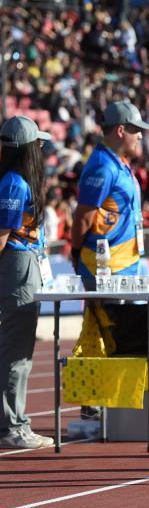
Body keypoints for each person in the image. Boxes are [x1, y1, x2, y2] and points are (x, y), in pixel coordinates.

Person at [70, 100, 149, 420]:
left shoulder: (119, 163)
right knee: (105, 333)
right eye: (136, 131)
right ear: (121, 130)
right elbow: (82, 218)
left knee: (117, 334)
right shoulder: (102, 166)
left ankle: (112, 399)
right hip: (105, 266)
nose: (141, 137)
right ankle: (94, 403)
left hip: (124, 263)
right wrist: (77, 253)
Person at [0, 115, 55, 448]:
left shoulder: (13, 180)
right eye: (38, 144)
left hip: (24, 263)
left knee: (15, 349)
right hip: (20, 265)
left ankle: (11, 423)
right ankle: (13, 427)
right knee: (17, 352)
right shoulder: (14, 183)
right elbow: (2, 235)